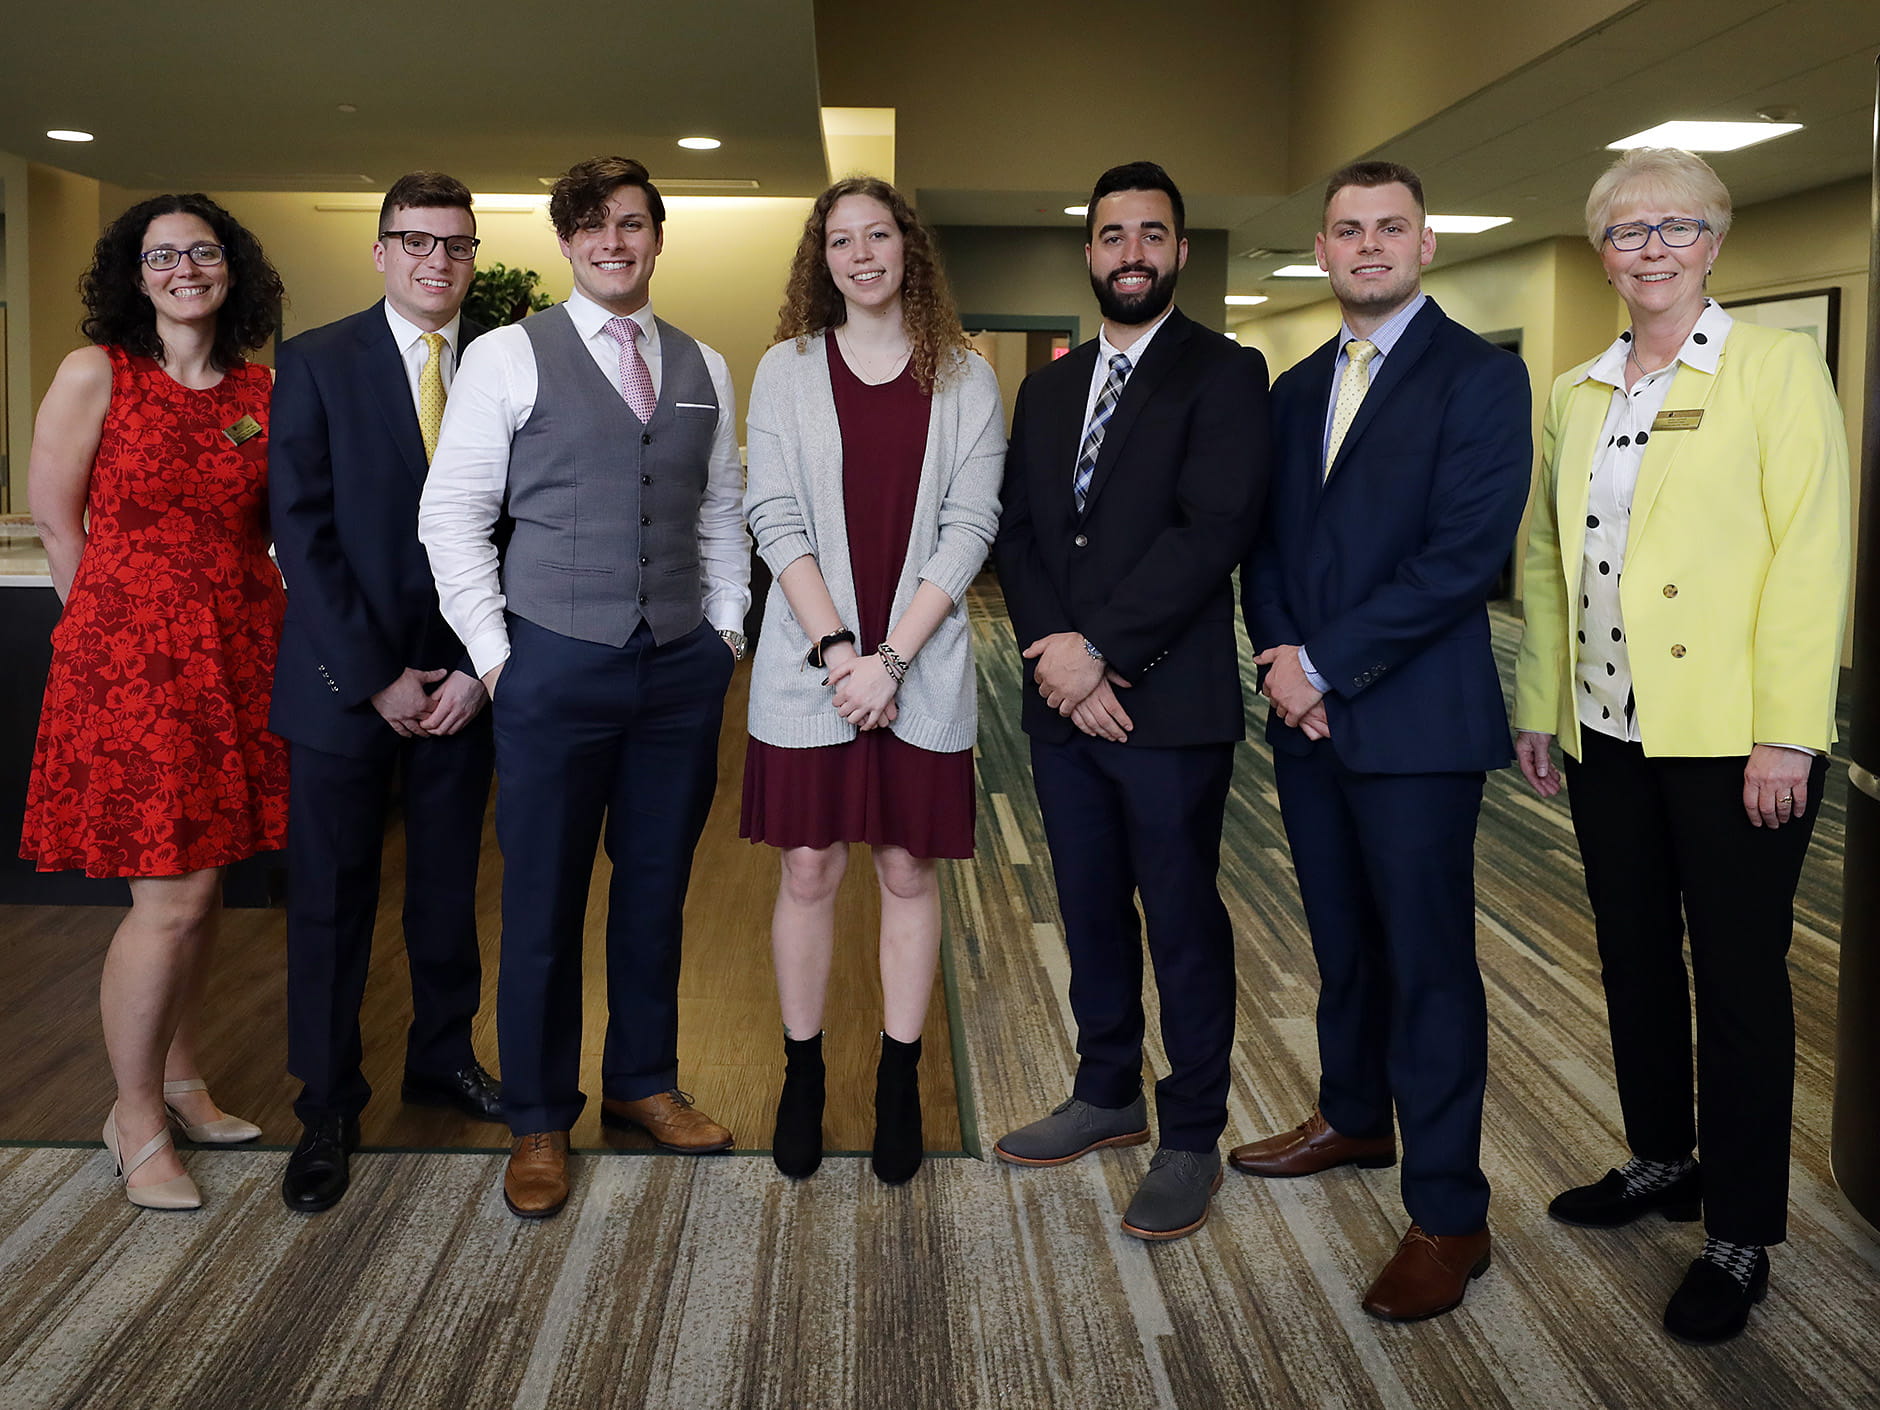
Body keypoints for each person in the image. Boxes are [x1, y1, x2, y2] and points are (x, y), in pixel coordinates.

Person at [1511, 147, 1849, 1345]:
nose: (1649, 249)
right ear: (1600, 252)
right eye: (1626, 231)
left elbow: (1810, 553)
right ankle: (1663, 1159)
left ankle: (1739, 1229)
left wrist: (1784, 734)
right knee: (1633, 957)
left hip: (1731, 742)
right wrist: (1539, 702)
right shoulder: (1574, 390)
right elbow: (1545, 558)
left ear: (1713, 242)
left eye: (1675, 227)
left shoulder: (1772, 367)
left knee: (1739, 982)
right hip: (1605, 731)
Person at [419, 156, 750, 1219]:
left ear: (657, 237)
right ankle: (537, 1117)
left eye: (632, 223)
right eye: (593, 226)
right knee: (542, 901)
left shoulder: (705, 363)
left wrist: (726, 630)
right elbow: (451, 515)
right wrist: (497, 657)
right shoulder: (508, 356)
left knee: (655, 889)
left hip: (679, 669)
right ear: (566, 242)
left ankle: (643, 1082)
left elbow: (719, 508)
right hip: (551, 665)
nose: (614, 242)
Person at [1234, 160, 1531, 1321]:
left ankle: (1449, 1214)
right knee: (1342, 945)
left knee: (1426, 966)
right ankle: (1354, 1116)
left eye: (1389, 227)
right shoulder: (1295, 387)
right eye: (1347, 229)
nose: (1367, 245)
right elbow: (1265, 546)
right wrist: (1280, 656)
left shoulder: (1478, 378)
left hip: (1414, 725)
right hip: (1308, 722)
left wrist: (1319, 664)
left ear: (1424, 245)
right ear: (1319, 248)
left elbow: (1461, 558)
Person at [991, 161, 1270, 1240]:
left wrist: (1103, 654)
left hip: (1166, 706)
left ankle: (1189, 1133)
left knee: (1181, 919)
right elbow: (1022, 531)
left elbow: (1213, 529)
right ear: (1090, 251)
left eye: (1152, 234)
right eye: (1113, 235)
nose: (1132, 253)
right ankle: (1105, 1091)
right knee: (1089, 904)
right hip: (1063, 708)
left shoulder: (1224, 372)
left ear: (1180, 250)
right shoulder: (1049, 388)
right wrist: (1056, 659)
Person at [21, 194, 288, 1210]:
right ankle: (131, 1115)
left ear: (232, 268)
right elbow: (58, 525)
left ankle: (180, 1080)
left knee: (204, 890)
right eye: (163, 255)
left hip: (238, 653)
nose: (185, 269)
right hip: (130, 664)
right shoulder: (97, 372)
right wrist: (108, 641)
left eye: (203, 252)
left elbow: (276, 525)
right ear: (134, 276)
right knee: (167, 898)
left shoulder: (262, 390)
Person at [741, 178, 1003, 1186]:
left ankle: (901, 1079)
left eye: (877, 235)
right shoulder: (786, 369)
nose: (861, 255)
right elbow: (773, 516)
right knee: (808, 867)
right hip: (812, 664)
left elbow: (969, 526)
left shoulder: (966, 377)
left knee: (904, 868)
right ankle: (801, 1076)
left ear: (907, 248)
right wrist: (839, 653)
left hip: (920, 665)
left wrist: (890, 659)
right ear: (823, 260)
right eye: (840, 240)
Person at [268, 171, 504, 1216]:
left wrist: (480, 669)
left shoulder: (502, 362)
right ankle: (326, 1102)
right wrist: (373, 677)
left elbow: (520, 525)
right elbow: (300, 532)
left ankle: (441, 1057)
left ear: (472, 257)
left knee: (449, 893)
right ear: (380, 250)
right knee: (331, 901)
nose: (435, 260)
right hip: (342, 685)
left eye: (455, 244)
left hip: (462, 685)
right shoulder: (317, 361)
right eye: (415, 240)